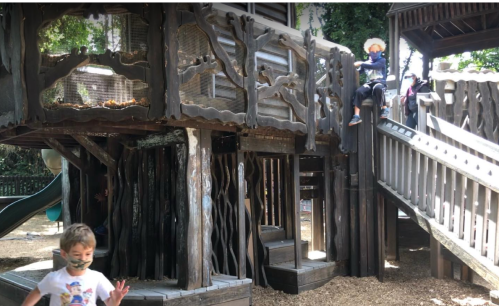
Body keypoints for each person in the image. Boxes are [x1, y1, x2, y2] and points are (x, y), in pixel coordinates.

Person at [21, 223, 129, 306]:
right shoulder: (54, 278)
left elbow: (110, 302)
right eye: (77, 254)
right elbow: (37, 292)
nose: (83, 258)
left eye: (88, 254)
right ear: (64, 254)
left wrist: (115, 301)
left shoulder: (97, 278)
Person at [349, 38, 390, 126]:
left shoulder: (382, 60)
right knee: (359, 92)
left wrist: (360, 63)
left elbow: (374, 66)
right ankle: (356, 116)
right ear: (369, 51)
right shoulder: (366, 63)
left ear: (380, 50)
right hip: (369, 83)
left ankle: (384, 108)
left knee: (378, 88)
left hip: (380, 82)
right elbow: (358, 72)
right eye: (372, 50)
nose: (375, 53)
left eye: (377, 51)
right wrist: (350, 68)